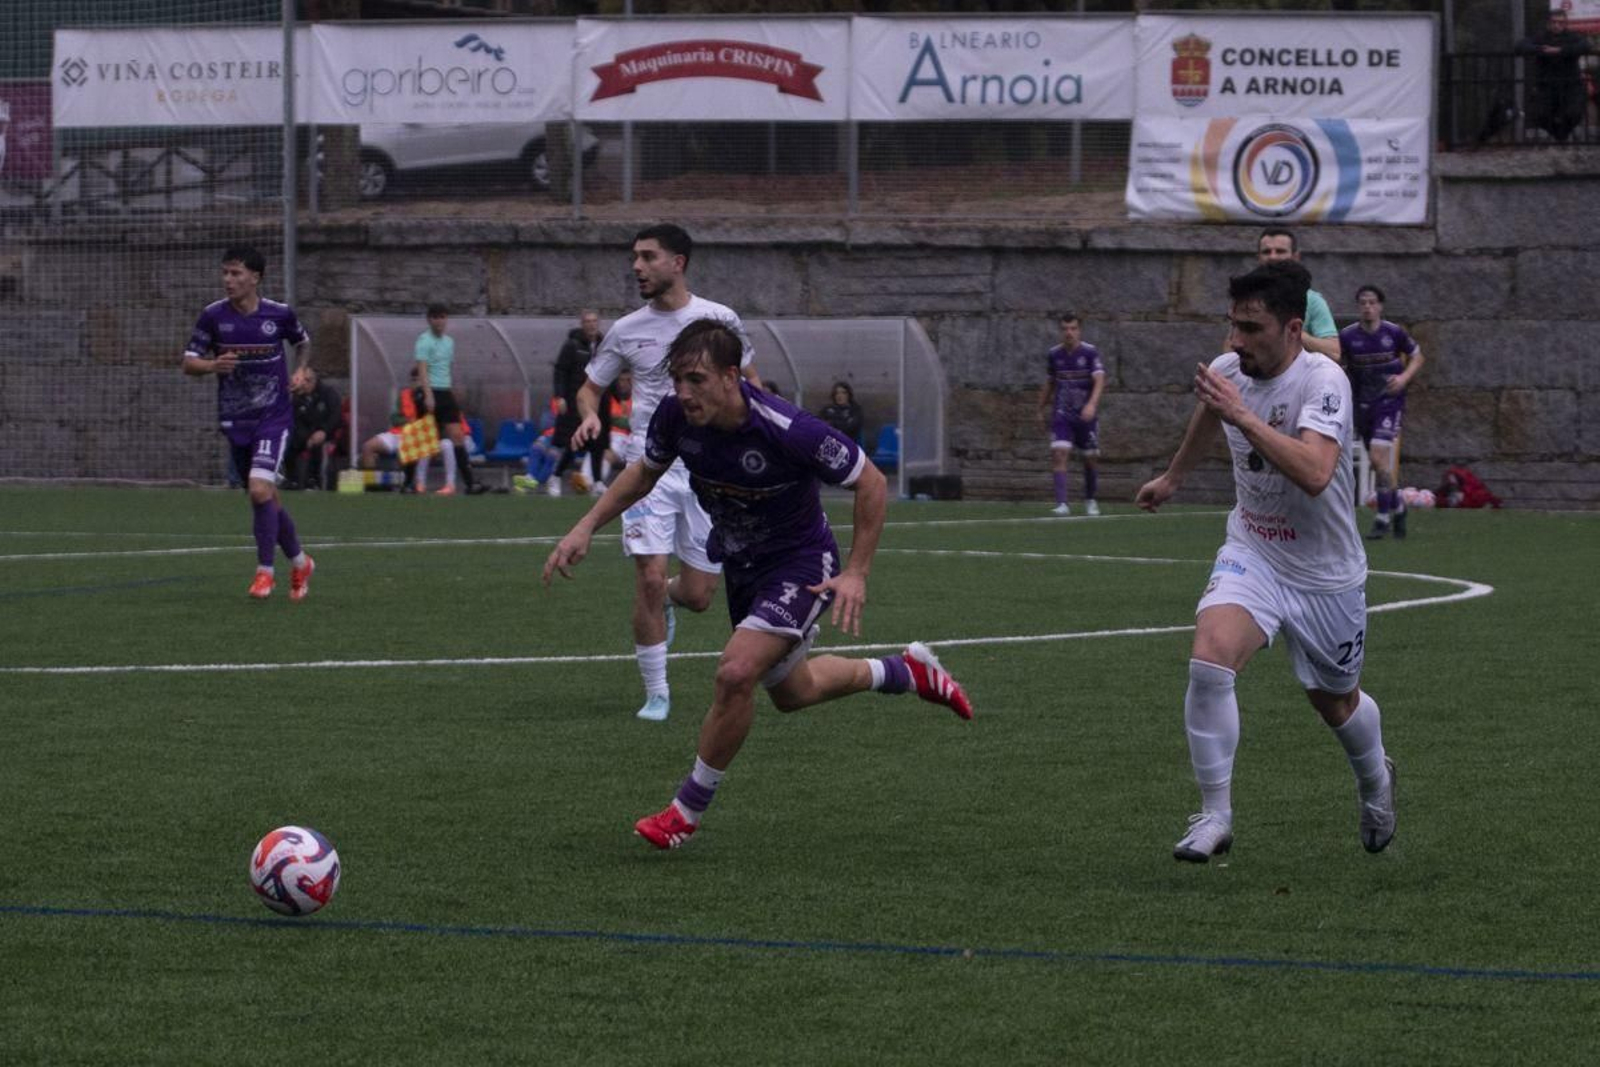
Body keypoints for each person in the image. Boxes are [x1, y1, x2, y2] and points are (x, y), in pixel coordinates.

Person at [543, 319, 974, 850]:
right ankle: (904, 672)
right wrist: (585, 526)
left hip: (800, 563)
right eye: (677, 379)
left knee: (736, 671)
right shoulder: (676, 416)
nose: (683, 392)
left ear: (731, 376)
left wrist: (857, 572)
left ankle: (684, 812)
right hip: (745, 569)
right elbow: (644, 473)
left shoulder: (788, 429)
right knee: (794, 692)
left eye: (696, 379)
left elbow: (871, 480)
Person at [1135, 260, 1397, 863]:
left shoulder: (1323, 381)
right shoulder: (1232, 370)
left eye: (1251, 328)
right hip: (1253, 549)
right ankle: (1214, 814)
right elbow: (1211, 409)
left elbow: (1315, 472)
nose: (1235, 342)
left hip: (1326, 573)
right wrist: (1174, 476)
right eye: (1232, 326)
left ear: (1293, 328)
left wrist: (1243, 416)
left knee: (1336, 702)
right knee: (1210, 657)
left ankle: (1375, 782)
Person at [569, 223, 763, 723]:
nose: (637, 266)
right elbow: (590, 388)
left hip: (709, 471)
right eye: (634, 256)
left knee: (698, 595)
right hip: (646, 466)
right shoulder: (626, 329)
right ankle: (657, 693)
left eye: (648, 256)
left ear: (678, 263)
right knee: (649, 578)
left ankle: (673, 601)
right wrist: (590, 413)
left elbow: (752, 389)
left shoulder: (719, 320)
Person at [182, 245, 316, 601]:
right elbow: (188, 362)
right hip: (235, 418)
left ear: (255, 278)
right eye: (225, 273)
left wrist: (302, 370)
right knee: (265, 497)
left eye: (236, 273)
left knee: (259, 490)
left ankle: (264, 572)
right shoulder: (213, 317)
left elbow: (303, 343)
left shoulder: (279, 314)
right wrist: (212, 366)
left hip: (274, 416)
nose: (229, 280)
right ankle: (301, 562)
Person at [1339, 284, 1425, 540]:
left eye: (1372, 302)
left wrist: (1404, 378)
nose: (1368, 307)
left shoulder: (1393, 333)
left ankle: (1382, 518)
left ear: (1380, 306)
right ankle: (1398, 507)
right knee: (1380, 463)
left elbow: (1418, 356)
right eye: (1363, 302)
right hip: (1362, 404)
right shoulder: (1348, 336)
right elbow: (1337, 362)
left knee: (1377, 457)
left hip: (1389, 402)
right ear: (1358, 307)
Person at [413, 304, 486, 496]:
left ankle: (469, 483)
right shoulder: (423, 340)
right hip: (430, 392)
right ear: (429, 320)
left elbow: (446, 368)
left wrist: (451, 391)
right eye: (435, 317)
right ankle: (414, 483)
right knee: (425, 439)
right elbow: (422, 369)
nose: (439, 321)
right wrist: (428, 395)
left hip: (445, 392)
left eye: (442, 317)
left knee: (458, 436)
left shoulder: (449, 342)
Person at [1038, 312, 1106, 516]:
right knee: (1059, 453)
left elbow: (1100, 379)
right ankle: (1062, 503)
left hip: (1085, 415)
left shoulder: (1089, 353)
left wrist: (1092, 404)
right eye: (1065, 329)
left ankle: (1090, 499)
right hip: (1062, 414)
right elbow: (1050, 382)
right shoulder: (1054, 355)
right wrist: (1040, 408)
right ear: (1061, 331)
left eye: (1073, 328)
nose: (1069, 333)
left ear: (1079, 330)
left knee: (1090, 457)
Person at [1255, 228, 1341, 360]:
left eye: (1280, 251)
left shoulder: (1312, 300)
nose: (1272, 257)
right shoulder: (1247, 299)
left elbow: (1335, 352)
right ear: (1259, 258)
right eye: (1266, 252)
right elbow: (1230, 351)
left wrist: (1290, 330)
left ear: (1295, 257)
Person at [548, 309, 604, 498]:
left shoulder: (603, 345)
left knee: (597, 443)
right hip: (576, 401)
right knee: (574, 442)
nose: (592, 325)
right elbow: (560, 371)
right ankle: (555, 477)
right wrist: (560, 396)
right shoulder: (572, 345)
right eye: (588, 321)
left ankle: (597, 482)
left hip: (597, 402)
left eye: (594, 321)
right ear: (582, 324)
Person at [1516, 9, 1592, 143]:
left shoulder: (1572, 36)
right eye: (1554, 22)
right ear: (1548, 23)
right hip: (1546, 85)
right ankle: (1559, 135)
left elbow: (1586, 45)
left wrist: (1561, 50)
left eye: (1561, 23)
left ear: (1565, 24)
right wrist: (1541, 50)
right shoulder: (1541, 37)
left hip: (1571, 84)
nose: (1557, 25)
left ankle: (1562, 135)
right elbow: (1520, 46)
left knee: (1574, 113)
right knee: (1538, 114)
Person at [288, 365, 342, 490]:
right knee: (290, 443)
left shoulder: (328, 393)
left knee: (317, 445)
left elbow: (335, 416)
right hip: (305, 434)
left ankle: (314, 481)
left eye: (307, 380)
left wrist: (323, 431)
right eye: (302, 380)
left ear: (314, 380)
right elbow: (295, 420)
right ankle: (292, 480)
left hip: (326, 432)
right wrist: (306, 436)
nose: (304, 384)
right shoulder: (298, 396)